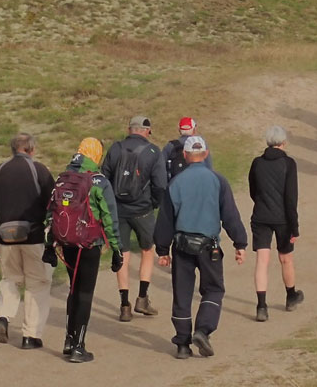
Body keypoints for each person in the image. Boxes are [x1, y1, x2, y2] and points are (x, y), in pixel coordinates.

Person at [154, 136, 248, 359]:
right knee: (214, 289)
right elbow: (230, 215)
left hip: (182, 246)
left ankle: (183, 344)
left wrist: (162, 250)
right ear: (205, 154)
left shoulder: (175, 183)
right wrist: (240, 243)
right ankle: (203, 330)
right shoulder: (218, 180)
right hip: (209, 247)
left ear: (185, 156)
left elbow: (165, 219)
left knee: (182, 293)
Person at [41, 138, 122, 363]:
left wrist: (49, 246)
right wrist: (117, 250)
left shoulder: (62, 178)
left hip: (66, 243)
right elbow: (109, 217)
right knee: (85, 293)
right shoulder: (99, 182)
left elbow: (50, 214)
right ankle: (79, 346)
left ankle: (69, 339)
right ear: (96, 155)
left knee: (73, 290)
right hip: (89, 244)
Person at [0, 133, 56, 349]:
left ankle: (3, 316)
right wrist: (52, 233)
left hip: (5, 237)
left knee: (9, 278)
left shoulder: (0, 171)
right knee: (37, 283)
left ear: (13, 149)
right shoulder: (39, 170)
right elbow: (53, 202)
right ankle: (30, 335)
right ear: (31, 150)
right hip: (32, 235)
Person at [101, 115, 167, 321]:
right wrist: (154, 204)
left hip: (118, 211)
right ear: (147, 131)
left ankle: (124, 305)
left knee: (122, 253)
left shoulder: (115, 148)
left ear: (129, 129)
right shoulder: (154, 152)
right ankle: (142, 297)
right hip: (143, 210)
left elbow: (103, 178)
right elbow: (160, 185)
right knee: (148, 250)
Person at [247, 125, 303, 322]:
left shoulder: (256, 163)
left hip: (261, 216)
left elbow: (253, 190)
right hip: (283, 219)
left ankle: (261, 306)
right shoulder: (289, 163)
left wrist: (262, 203)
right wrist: (294, 226)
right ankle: (291, 296)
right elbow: (291, 198)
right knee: (285, 258)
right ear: (283, 142)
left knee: (262, 261)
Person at [161, 117, 212, 184]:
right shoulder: (201, 144)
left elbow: (161, 166)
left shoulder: (170, 146)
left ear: (179, 130)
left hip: (176, 184)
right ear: (194, 130)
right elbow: (209, 167)